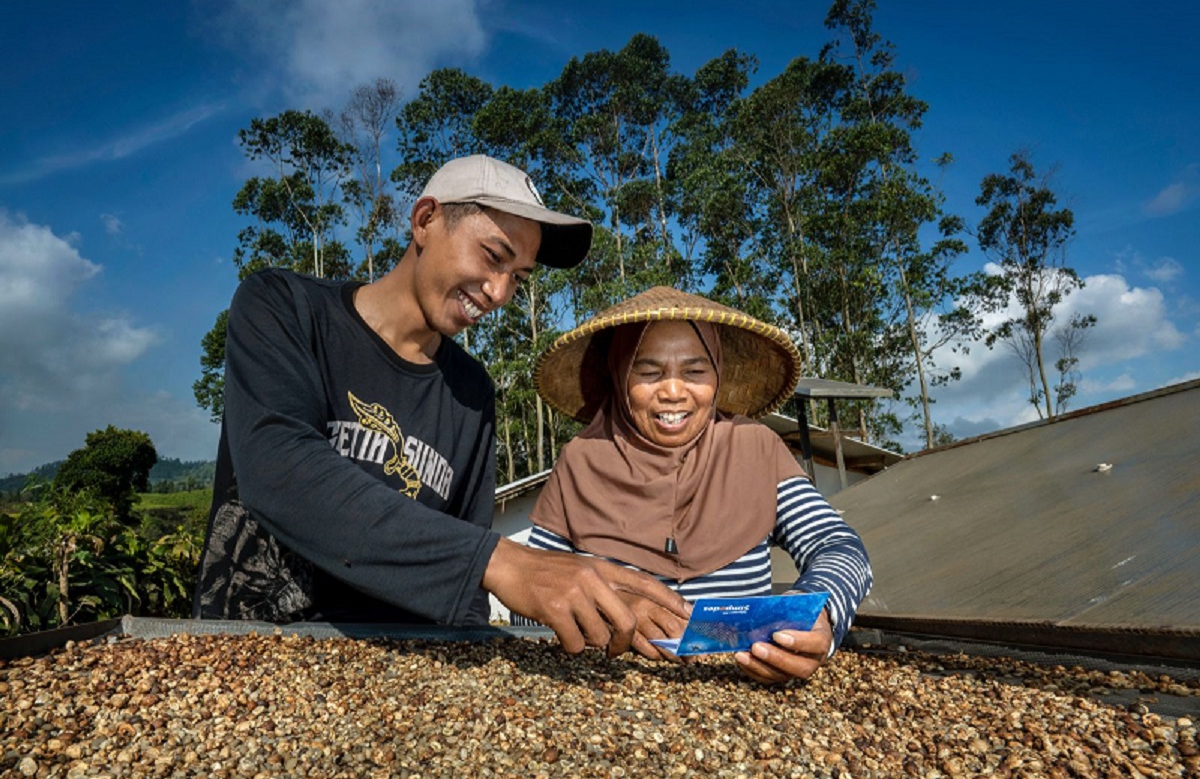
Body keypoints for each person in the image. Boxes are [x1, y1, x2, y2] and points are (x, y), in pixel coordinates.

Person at [193, 155, 687, 656]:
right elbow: (279, 469)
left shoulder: (471, 393)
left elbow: (461, 576)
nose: (498, 293)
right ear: (425, 220)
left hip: (392, 668)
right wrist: (501, 561)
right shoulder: (284, 307)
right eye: (494, 256)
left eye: (517, 276)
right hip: (249, 652)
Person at [523, 286, 873, 683]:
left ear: (717, 376)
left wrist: (817, 612)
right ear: (620, 375)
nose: (673, 392)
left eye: (694, 371)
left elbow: (838, 545)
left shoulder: (754, 448)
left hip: (744, 684)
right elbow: (531, 591)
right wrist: (609, 608)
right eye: (649, 372)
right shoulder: (581, 460)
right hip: (606, 689)